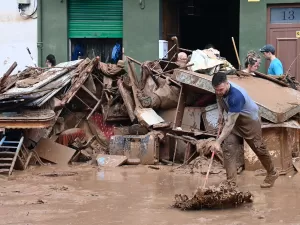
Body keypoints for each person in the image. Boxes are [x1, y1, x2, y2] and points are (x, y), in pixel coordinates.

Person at [210, 72, 279, 188]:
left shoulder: (236, 96)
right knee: (228, 148)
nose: (218, 92)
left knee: (259, 148)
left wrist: (217, 142)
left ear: (227, 84)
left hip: (249, 121)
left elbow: (230, 123)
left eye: (220, 90)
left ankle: (272, 172)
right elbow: (219, 100)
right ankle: (231, 183)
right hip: (235, 122)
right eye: (216, 90)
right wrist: (220, 115)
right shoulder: (219, 89)